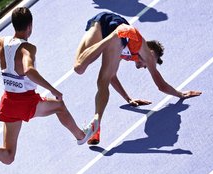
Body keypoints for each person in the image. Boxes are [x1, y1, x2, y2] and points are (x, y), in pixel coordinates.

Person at [0, 7, 96, 165]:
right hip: (25, 101)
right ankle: (81, 137)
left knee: (9, 156)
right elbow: (29, 71)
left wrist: (6, 54)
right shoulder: (28, 48)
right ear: (29, 26)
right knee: (59, 106)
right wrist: (54, 90)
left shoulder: (1, 42)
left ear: (13, 25)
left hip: (7, 103)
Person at [73, 11, 202, 145]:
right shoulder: (146, 52)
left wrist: (128, 98)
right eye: (149, 63)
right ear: (152, 54)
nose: (145, 67)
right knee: (81, 69)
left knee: (81, 69)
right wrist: (180, 94)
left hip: (118, 36)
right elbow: (161, 85)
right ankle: (112, 36)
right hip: (104, 22)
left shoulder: (130, 51)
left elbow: (112, 76)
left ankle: (97, 122)